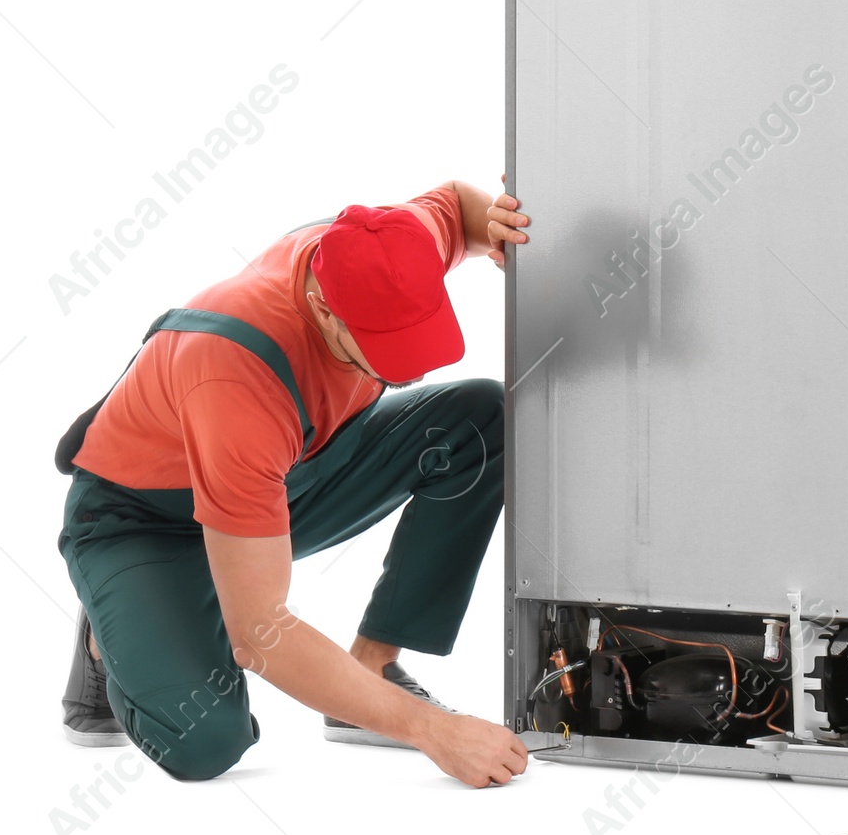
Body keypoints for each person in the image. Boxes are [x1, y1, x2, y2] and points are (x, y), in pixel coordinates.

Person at [54, 181, 531, 788]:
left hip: (289, 471)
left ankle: (374, 665)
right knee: (203, 743)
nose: (404, 365)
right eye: (380, 349)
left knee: (481, 420)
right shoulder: (234, 380)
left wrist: (495, 226)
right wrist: (431, 731)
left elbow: (458, 206)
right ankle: (112, 627)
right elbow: (261, 634)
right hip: (144, 521)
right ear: (325, 309)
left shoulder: (389, 242)